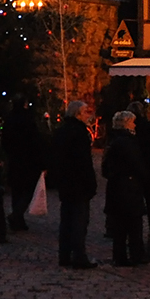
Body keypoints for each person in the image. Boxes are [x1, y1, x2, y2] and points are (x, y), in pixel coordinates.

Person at [51, 100, 99, 269]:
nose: (89, 115)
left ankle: (64, 255)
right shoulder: (79, 133)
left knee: (67, 220)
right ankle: (79, 255)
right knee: (79, 221)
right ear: (77, 114)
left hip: (66, 182)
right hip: (78, 183)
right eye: (86, 112)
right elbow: (83, 162)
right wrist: (90, 183)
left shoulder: (62, 131)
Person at [102, 110, 150, 266]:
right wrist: (144, 177)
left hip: (117, 186)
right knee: (133, 224)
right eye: (132, 122)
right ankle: (135, 254)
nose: (135, 125)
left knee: (120, 225)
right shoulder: (127, 142)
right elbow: (136, 165)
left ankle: (120, 255)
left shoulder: (113, 140)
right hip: (129, 187)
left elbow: (106, 167)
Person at [2, 97, 46, 232]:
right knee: (28, 189)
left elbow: (5, 139)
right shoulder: (28, 119)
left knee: (17, 190)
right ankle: (17, 215)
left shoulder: (10, 118)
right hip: (28, 159)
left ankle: (18, 217)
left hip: (15, 158)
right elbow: (35, 139)